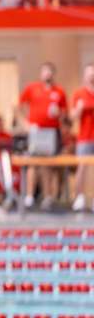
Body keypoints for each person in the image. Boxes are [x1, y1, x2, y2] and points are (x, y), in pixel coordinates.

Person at [19, 62, 67, 210]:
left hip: (51, 132)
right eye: (45, 71)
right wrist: (25, 125)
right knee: (33, 162)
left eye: (50, 72)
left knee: (48, 164)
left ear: (53, 74)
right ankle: (29, 196)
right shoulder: (32, 88)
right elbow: (18, 107)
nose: (47, 74)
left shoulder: (59, 91)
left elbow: (65, 114)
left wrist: (58, 113)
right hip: (35, 131)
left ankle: (47, 196)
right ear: (41, 74)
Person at [72, 63, 94, 211]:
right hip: (84, 138)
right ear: (85, 76)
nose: (91, 76)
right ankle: (79, 197)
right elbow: (72, 116)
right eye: (89, 73)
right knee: (81, 168)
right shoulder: (79, 94)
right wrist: (79, 109)